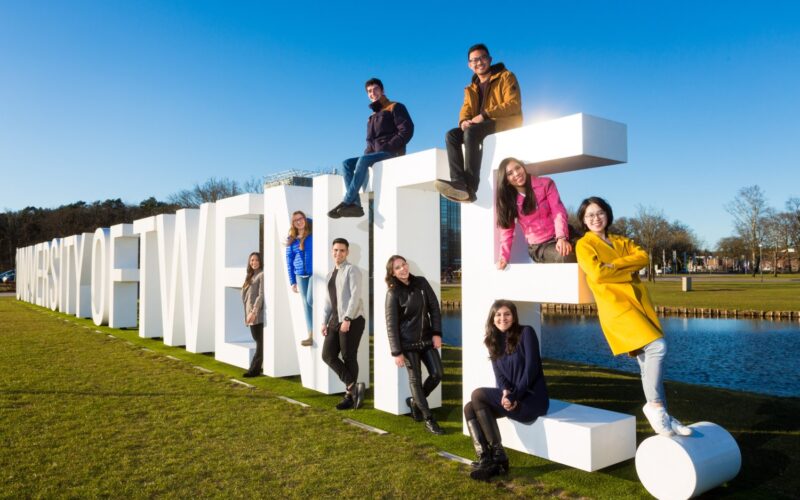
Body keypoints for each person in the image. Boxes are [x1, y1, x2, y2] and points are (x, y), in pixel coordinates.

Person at [575, 197, 692, 437]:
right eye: (590, 215)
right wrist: (627, 271)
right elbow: (597, 275)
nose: (596, 218)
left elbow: (643, 257)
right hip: (616, 307)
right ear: (583, 220)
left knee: (645, 362)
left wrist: (613, 266)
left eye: (600, 213)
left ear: (607, 214)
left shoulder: (621, 240)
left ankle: (664, 416)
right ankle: (656, 406)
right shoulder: (584, 245)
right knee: (658, 347)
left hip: (639, 303)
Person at [464, 300, 549, 481]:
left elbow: (531, 370)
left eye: (507, 314)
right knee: (469, 408)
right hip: (513, 398)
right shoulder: (492, 341)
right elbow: (500, 377)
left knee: (477, 395)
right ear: (492, 318)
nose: (503, 318)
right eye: (498, 315)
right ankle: (486, 458)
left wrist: (515, 396)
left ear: (514, 316)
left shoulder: (526, 333)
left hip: (532, 400)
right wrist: (505, 393)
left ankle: (499, 457)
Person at [435, 44, 522, 203]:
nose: (479, 62)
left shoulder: (506, 76)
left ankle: (470, 188)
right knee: (452, 135)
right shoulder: (470, 88)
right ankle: (459, 182)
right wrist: (463, 121)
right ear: (469, 65)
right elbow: (466, 109)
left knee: (471, 133)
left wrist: (484, 115)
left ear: (489, 59)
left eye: (482, 58)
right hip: (479, 126)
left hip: (503, 122)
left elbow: (513, 104)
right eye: (474, 60)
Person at [328, 78, 414, 218]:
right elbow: (370, 142)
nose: (372, 93)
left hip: (392, 153)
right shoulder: (371, 117)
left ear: (382, 90)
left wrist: (389, 146)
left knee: (363, 159)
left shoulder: (395, 106)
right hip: (375, 155)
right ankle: (355, 205)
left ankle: (346, 201)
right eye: (369, 91)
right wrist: (367, 156)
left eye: (375, 89)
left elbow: (407, 130)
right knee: (346, 164)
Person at [384, 255, 445, 435]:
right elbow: (391, 324)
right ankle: (428, 418)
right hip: (407, 344)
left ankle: (415, 402)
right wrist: (396, 352)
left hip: (427, 340)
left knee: (437, 374)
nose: (403, 269)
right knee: (415, 380)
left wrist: (437, 333)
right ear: (392, 273)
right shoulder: (392, 293)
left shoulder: (421, 283)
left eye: (404, 264)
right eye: (397, 268)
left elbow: (434, 308)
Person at [495, 157, 576, 268]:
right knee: (566, 256)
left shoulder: (546, 184)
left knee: (591, 248)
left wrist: (561, 237)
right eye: (510, 173)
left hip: (563, 234)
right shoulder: (509, 201)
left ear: (523, 167)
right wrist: (503, 257)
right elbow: (506, 232)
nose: (516, 173)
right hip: (540, 245)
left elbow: (558, 210)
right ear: (506, 180)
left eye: (518, 168)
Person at [321, 238, 366, 409]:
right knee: (327, 355)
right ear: (332, 251)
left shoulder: (352, 270)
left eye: (341, 250)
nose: (338, 253)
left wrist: (347, 318)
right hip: (334, 320)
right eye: (335, 250)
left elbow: (355, 296)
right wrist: (323, 322)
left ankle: (349, 397)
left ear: (347, 252)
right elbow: (328, 302)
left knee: (348, 356)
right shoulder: (329, 275)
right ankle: (353, 387)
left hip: (352, 319)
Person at [285, 211, 314, 347]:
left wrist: (307, 219)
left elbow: (313, 221)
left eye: (301, 218)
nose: (299, 221)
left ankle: (323, 324)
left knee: (310, 299)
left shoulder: (312, 234)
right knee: (305, 305)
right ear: (293, 223)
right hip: (299, 275)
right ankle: (311, 334)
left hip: (314, 273)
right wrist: (292, 281)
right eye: (295, 220)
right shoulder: (291, 240)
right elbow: (289, 261)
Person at [241, 252, 265, 378]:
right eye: (252, 260)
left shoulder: (262, 275)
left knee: (260, 342)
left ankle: (254, 370)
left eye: (256, 260)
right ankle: (257, 367)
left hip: (257, 315)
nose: (254, 262)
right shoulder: (249, 276)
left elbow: (261, 295)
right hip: (249, 314)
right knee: (259, 341)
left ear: (260, 261)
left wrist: (254, 312)